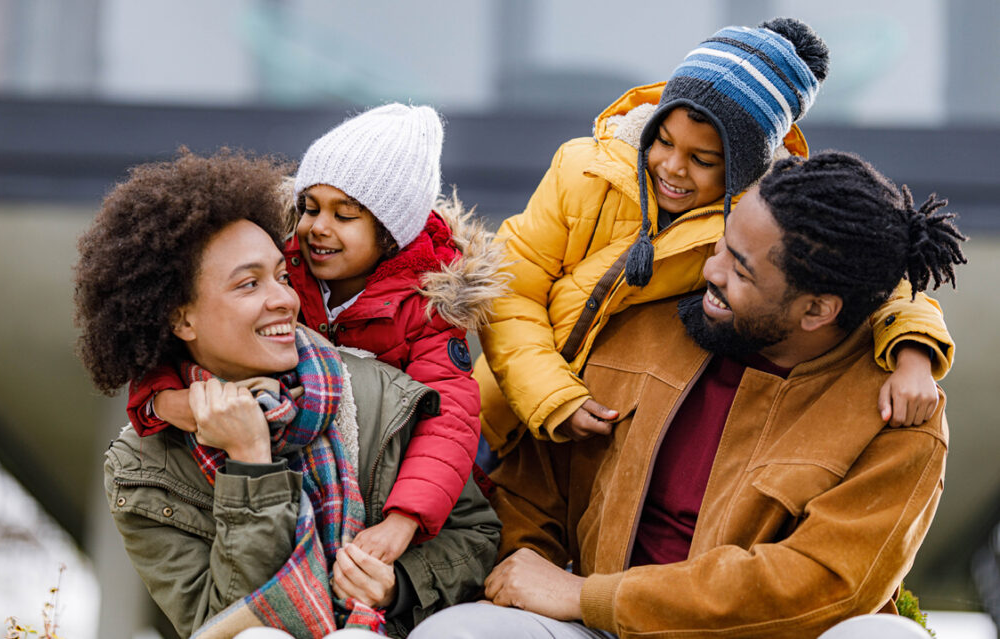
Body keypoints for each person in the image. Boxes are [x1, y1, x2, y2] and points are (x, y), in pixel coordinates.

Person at [409, 150, 966, 638]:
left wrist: (590, 596)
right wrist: (532, 570)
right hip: (594, 632)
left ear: (817, 310)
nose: (709, 270)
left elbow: (822, 586)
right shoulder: (640, 325)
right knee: (457, 633)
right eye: (721, 246)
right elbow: (533, 490)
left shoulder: (898, 417)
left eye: (741, 271)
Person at [473, 18, 953, 461]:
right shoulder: (583, 171)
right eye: (663, 141)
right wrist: (551, 396)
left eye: (702, 159)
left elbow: (878, 277)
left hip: (596, 441)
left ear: (744, 163)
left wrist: (915, 356)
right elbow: (513, 289)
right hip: (496, 414)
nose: (672, 167)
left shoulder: (764, 213)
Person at [74, 150, 500, 638]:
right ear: (180, 317)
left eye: (281, 275)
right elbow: (221, 623)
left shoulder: (378, 390)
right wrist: (250, 465)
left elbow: (478, 535)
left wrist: (397, 584)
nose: (283, 299)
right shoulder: (143, 466)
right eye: (249, 284)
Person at [125, 104, 505, 565]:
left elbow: (449, 422)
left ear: (390, 235)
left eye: (345, 215)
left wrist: (403, 520)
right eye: (309, 207)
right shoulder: (281, 272)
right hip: (295, 451)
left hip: (381, 481)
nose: (317, 227)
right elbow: (189, 338)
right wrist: (166, 401)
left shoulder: (427, 308)